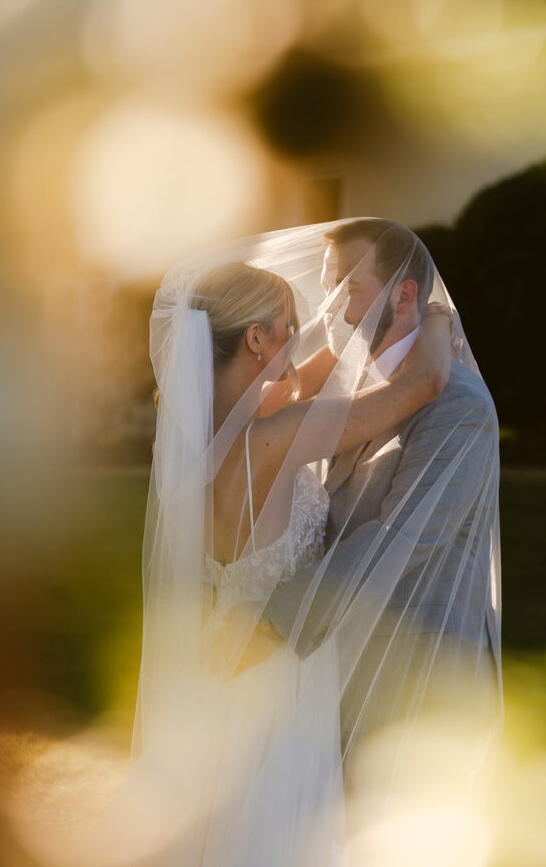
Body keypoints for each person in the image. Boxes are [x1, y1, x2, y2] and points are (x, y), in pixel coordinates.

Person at [74, 218, 500, 867]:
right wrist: (439, 326)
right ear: (254, 339)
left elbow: (330, 361)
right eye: (290, 324)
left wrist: (389, 317)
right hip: (277, 663)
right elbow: (418, 388)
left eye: (340, 293)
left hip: (232, 655)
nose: (316, 323)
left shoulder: (209, 425)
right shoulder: (279, 431)